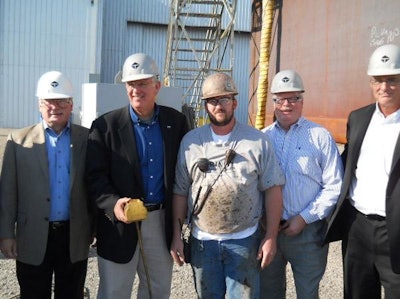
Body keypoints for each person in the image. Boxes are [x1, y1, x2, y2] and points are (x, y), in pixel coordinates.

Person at [170, 72, 285, 298]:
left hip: (244, 241)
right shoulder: (191, 142)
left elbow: (273, 189)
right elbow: (180, 192)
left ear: (234, 102)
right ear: (205, 106)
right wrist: (176, 235)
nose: (218, 105)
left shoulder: (257, 141)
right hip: (203, 242)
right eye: (212, 100)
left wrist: (271, 236)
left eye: (224, 99)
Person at [86, 53, 189, 299]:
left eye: (142, 83)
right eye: (131, 84)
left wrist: (178, 228)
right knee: (114, 292)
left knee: (157, 291)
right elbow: (94, 177)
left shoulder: (177, 123)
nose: (136, 90)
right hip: (119, 225)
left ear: (157, 86)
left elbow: (183, 175)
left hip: (160, 221)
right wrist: (114, 204)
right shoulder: (105, 126)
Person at [0, 71, 94, 299]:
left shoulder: (88, 139)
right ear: (39, 105)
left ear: (71, 105)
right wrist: (6, 234)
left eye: (62, 100)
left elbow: (93, 187)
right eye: (48, 101)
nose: (55, 106)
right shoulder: (18, 141)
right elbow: (8, 193)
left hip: (73, 235)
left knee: (71, 294)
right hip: (32, 234)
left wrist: (94, 229)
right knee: (32, 293)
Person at [259, 70, 343, 298]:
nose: (287, 104)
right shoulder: (262, 139)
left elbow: (334, 185)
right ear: (273, 102)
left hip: (308, 234)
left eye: (293, 98)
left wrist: (304, 217)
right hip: (268, 231)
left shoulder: (320, 137)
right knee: (268, 292)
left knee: (307, 293)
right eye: (281, 99)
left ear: (302, 101)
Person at [325, 44, 400, 298]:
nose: (385, 87)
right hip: (357, 227)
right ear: (371, 83)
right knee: (357, 293)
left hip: (396, 230)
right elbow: (346, 167)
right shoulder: (358, 118)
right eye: (378, 80)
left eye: (392, 80)